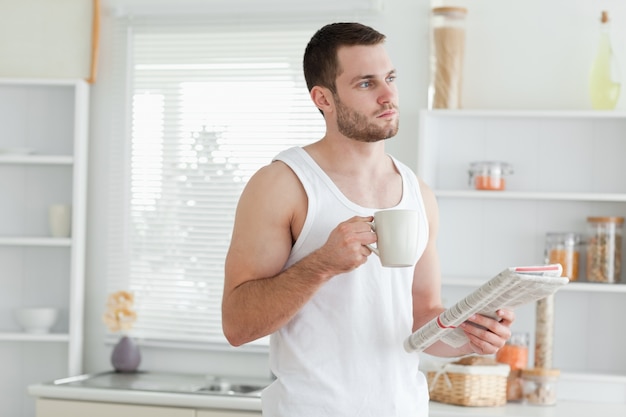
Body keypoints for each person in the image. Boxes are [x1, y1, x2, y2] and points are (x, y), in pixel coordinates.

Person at [222, 22, 514, 416]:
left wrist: (468, 336)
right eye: (365, 84)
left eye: (390, 78)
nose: (388, 95)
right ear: (323, 98)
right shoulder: (282, 184)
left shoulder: (418, 193)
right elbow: (238, 325)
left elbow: (421, 318)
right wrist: (321, 264)